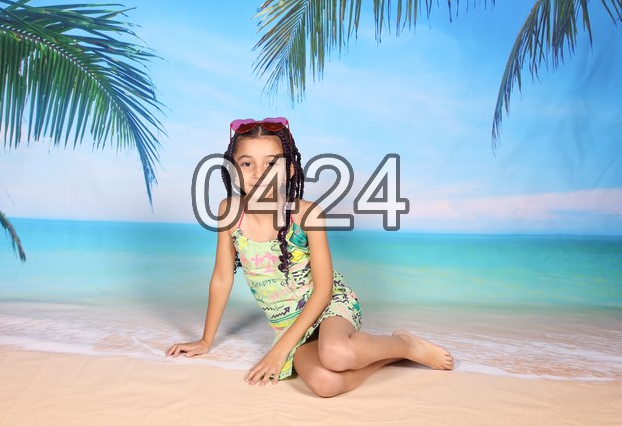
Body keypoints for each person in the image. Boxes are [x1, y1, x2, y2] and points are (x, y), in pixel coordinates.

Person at [166, 117, 453, 397]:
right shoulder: (229, 212)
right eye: (247, 163)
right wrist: (206, 340)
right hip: (288, 324)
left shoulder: (307, 214)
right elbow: (222, 277)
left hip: (328, 305)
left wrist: (279, 351)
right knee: (325, 384)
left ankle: (406, 345)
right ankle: (391, 356)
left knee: (336, 353)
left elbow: (324, 290)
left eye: (271, 164)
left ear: (290, 170)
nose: (259, 173)